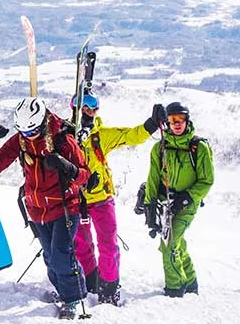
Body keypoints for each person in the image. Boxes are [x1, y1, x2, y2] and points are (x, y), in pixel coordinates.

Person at [0, 98, 92, 319]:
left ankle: (73, 298)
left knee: (61, 255)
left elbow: (85, 176)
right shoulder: (21, 140)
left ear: (42, 123)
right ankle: (63, 291)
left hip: (65, 206)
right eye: (24, 131)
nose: (29, 136)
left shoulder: (63, 140)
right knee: (50, 256)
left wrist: (65, 166)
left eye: (32, 131)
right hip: (36, 209)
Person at [70, 93, 165, 305]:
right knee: (82, 245)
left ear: (97, 111)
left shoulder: (101, 135)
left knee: (108, 244)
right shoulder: (65, 136)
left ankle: (109, 286)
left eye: (92, 106)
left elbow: (131, 136)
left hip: (101, 198)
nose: (87, 110)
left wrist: (151, 124)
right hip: (75, 200)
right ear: (73, 108)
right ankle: (91, 280)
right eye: (81, 105)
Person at [143, 102, 214, 297]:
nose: (177, 123)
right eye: (172, 119)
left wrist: (188, 198)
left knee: (169, 243)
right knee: (177, 242)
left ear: (187, 120)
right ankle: (191, 283)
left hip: (188, 203)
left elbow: (207, 181)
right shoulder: (160, 148)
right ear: (166, 122)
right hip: (166, 202)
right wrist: (150, 205)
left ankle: (175, 288)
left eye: (181, 119)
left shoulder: (198, 148)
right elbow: (153, 178)